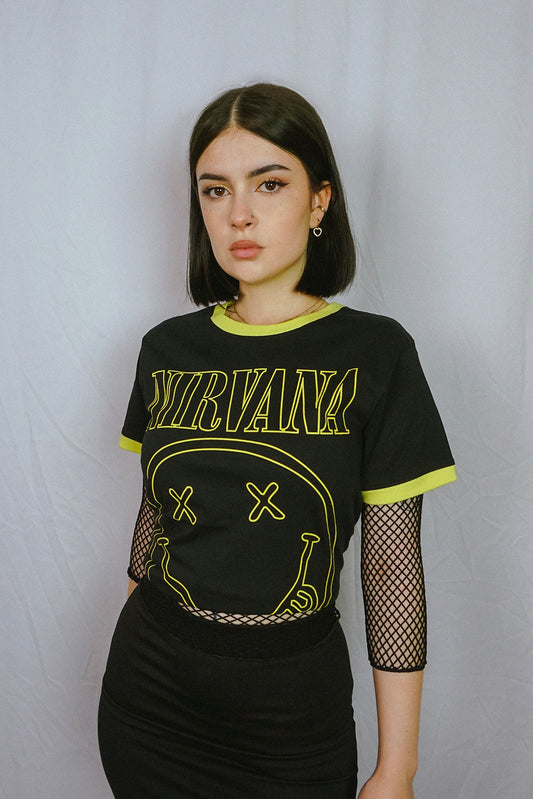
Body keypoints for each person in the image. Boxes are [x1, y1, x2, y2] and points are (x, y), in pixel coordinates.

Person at [98, 83, 456, 799]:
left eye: (269, 183)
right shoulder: (166, 349)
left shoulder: (375, 353)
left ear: (320, 201)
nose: (239, 213)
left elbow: (391, 567)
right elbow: (155, 518)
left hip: (289, 715)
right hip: (150, 696)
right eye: (215, 190)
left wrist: (398, 767)